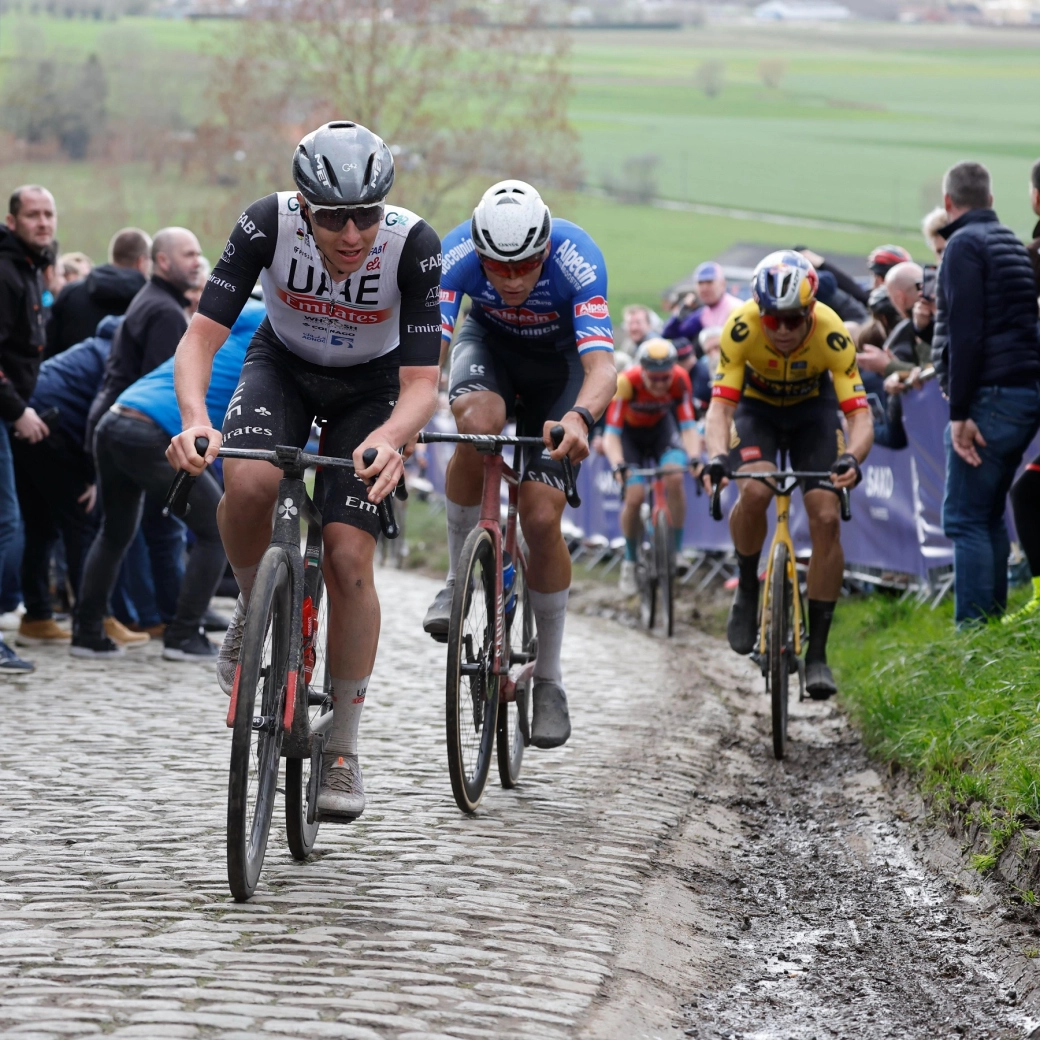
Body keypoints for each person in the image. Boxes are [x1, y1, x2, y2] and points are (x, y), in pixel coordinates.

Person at [167, 121, 442, 819]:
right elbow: (201, 338)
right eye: (332, 218)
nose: (352, 235)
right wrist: (196, 419)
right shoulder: (265, 224)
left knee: (350, 558)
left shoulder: (414, 245)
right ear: (302, 206)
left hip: (372, 388)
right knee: (249, 482)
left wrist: (390, 439)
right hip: (283, 365)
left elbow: (420, 385)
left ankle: (343, 744)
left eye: (366, 215)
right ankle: (255, 610)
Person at [423, 179, 616, 749]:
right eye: (497, 268)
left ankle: (550, 677)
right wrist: (402, 418)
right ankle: (458, 577)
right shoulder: (454, 253)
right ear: (478, 251)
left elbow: (602, 368)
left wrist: (580, 418)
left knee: (537, 516)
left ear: (546, 247)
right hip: (490, 350)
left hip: (563, 373)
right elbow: (426, 351)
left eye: (525, 266)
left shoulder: (578, 257)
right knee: (476, 426)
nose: (510, 280)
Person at [702, 250, 873, 698]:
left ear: (810, 310)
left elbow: (859, 416)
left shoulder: (833, 334)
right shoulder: (740, 327)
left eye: (792, 320)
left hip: (812, 414)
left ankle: (817, 653)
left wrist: (852, 458)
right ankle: (746, 587)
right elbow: (721, 408)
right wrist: (718, 456)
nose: (780, 330)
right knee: (755, 491)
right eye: (771, 319)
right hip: (757, 411)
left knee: (825, 515)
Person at [72, 298, 266, 661]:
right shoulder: (269, 318)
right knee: (214, 527)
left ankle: (86, 633)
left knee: (115, 532)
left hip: (116, 420)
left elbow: (208, 313)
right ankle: (183, 635)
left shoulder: (251, 316)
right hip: (153, 432)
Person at [930, 161, 1040, 626]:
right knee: (988, 514)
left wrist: (959, 413)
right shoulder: (1012, 243)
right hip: (1023, 391)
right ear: (991, 201)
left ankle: (972, 636)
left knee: (965, 518)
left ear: (949, 204)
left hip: (990, 396)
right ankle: (988, 631)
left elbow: (965, 333)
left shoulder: (963, 246)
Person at [0, 185, 59, 673]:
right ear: (12, 219)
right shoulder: (5, 270)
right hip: (5, 409)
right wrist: (18, 408)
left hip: (11, 409)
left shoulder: (29, 266)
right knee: (7, 525)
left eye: (49, 214)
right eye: (33, 215)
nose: (43, 222)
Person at [85, 227, 204, 448]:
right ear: (163, 261)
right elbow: (161, 390)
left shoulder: (154, 298)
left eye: (198, 254)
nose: (197, 262)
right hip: (128, 431)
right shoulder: (165, 312)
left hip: (111, 421)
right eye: (189, 255)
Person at [602, 339, 701, 597]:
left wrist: (695, 457)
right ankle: (630, 560)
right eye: (653, 378)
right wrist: (618, 465)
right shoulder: (627, 382)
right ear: (643, 371)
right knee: (634, 497)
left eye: (664, 378)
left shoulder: (680, 380)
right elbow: (611, 433)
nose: (659, 384)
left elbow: (688, 426)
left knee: (675, 478)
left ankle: (677, 551)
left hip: (661, 432)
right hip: (629, 437)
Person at [46, 228, 151, 358]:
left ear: (113, 256)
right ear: (141, 262)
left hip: (70, 375)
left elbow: (48, 346)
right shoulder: (150, 303)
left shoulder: (69, 293)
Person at [662, 261, 741, 353]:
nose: (704, 288)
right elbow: (670, 335)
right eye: (700, 283)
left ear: (722, 284)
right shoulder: (704, 313)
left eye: (709, 282)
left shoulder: (736, 308)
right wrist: (678, 317)